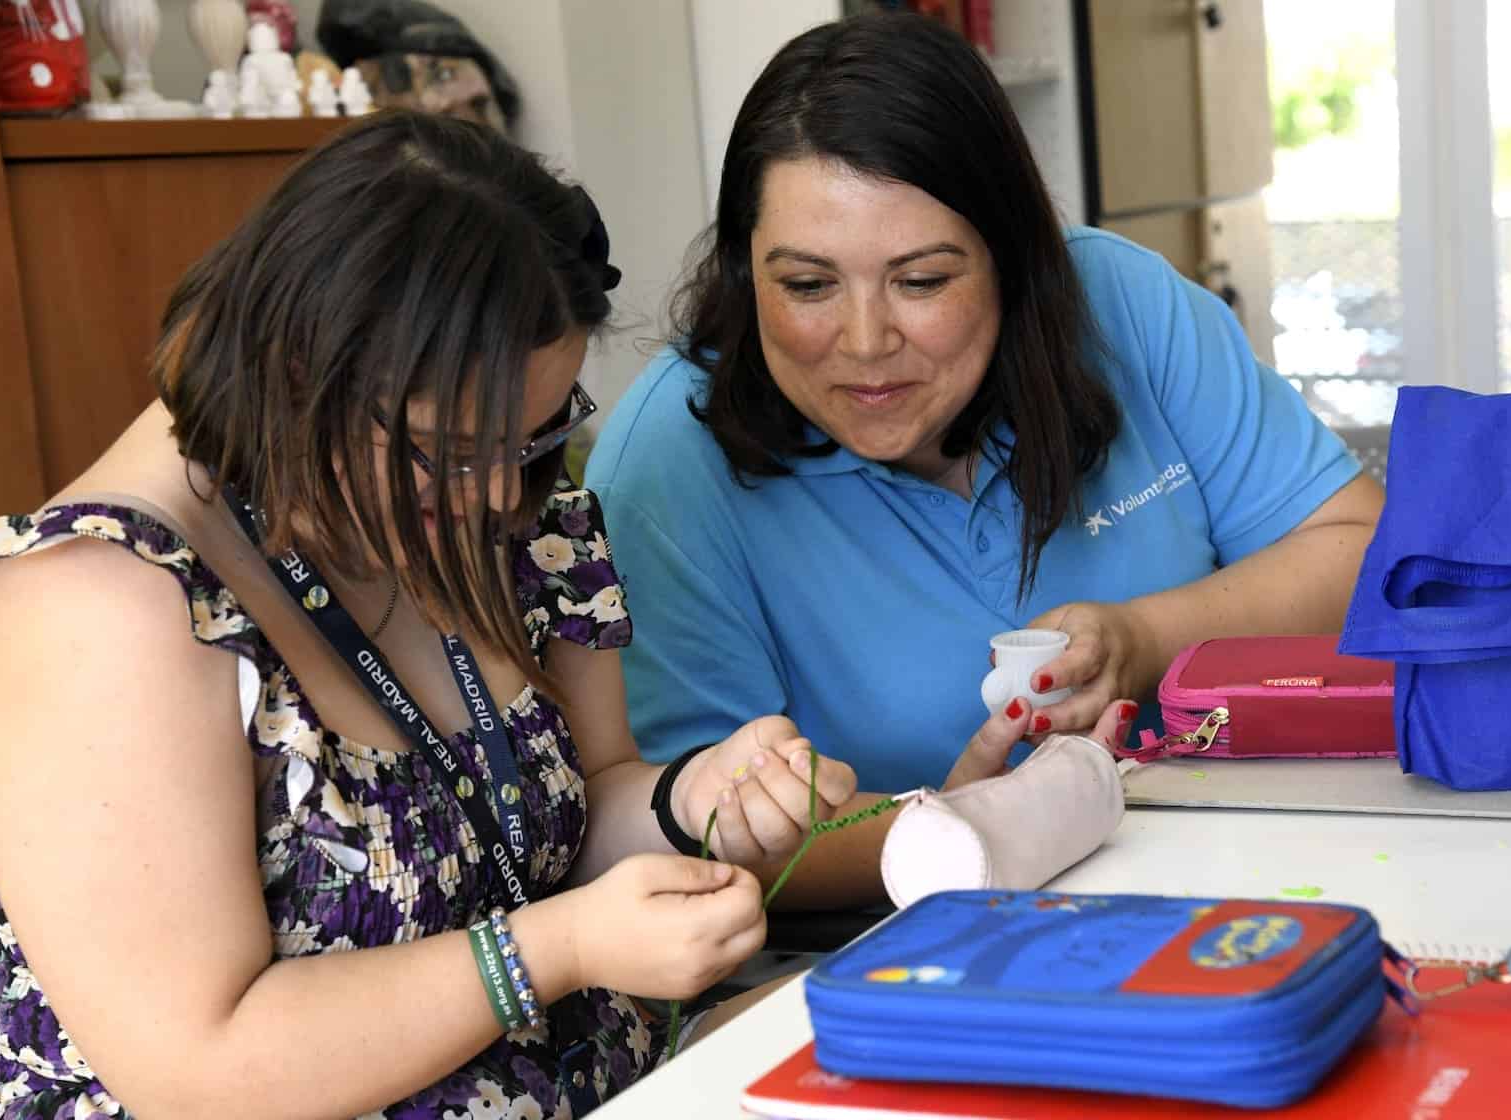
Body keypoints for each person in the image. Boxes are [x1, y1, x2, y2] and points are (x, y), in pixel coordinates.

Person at [0, 111, 855, 1118]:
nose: (497, 497)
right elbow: (199, 1065)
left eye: (536, 433)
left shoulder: (518, 502)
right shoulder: (108, 603)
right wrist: (559, 946)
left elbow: (572, 811)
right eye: (453, 448)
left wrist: (690, 800)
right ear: (296, 377)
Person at [584, 12, 1384, 906]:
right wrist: (978, 830)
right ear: (742, 274)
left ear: (1014, 260)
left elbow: (1358, 551)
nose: (864, 341)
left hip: (1258, 860)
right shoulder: (666, 464)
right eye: (806, 285)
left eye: (922, 281)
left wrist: (1147, 639)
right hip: (895, 952)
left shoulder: (1127, 305)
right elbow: (694, 831)